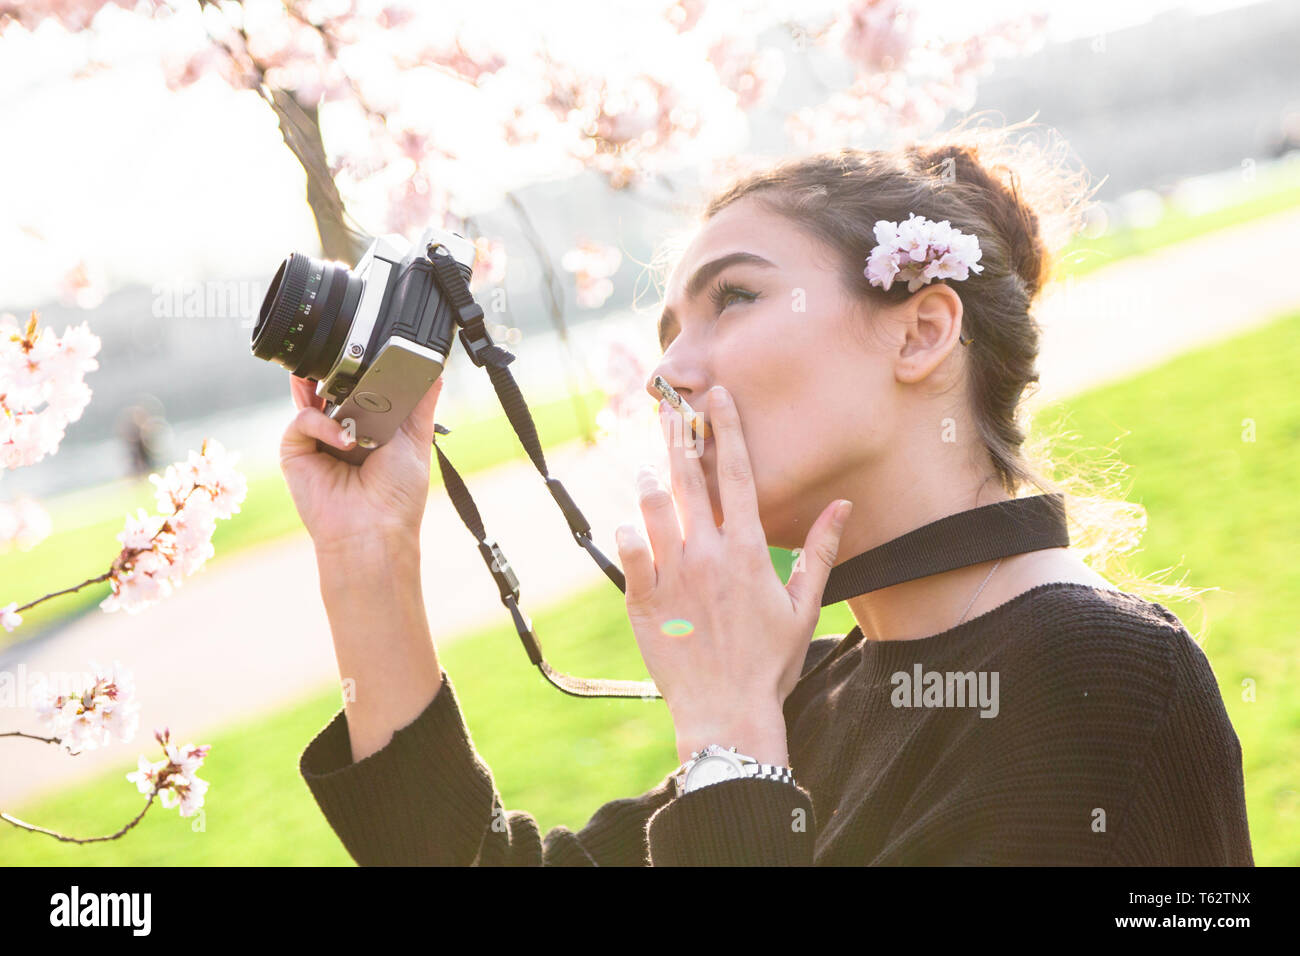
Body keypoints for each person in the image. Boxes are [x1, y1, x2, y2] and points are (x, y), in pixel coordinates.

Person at [281, 119, 1253, 866]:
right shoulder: (815, 690)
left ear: (920, 331)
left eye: (732, 297)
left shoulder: (1103, 680)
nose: (666, 374)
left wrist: (733, 751)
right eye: (665, 329)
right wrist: (366, 562)